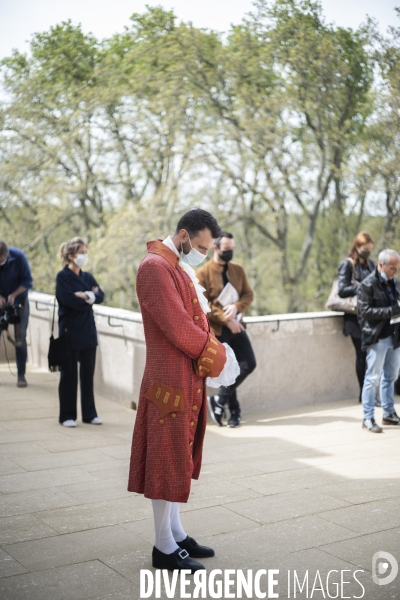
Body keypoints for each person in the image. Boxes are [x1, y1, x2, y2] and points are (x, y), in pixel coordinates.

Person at [128, 209, 228, 573]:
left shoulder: (172, 264)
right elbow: (178, 327)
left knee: (177, 458)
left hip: (181, 373)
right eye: (201, 246)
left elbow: (192, 321)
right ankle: (163, 547)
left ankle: (175, 532)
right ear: (184, 235)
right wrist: (217, 354)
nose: (203, 253)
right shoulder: (155, 267)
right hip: (167, 379)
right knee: (165, 462)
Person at [196, 231, 256, 427]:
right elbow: (203, 304)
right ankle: (235, 413)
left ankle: (219, 401)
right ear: (215, 248)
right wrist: (225, 319)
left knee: (248, 363)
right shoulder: (203, 273)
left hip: (237, 326)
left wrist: (237, 307)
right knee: (228, 369)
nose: (230, 252)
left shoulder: (237, 270)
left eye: (232, 249)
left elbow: (248, 294)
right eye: (226, 249)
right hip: (219, 330)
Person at [56, 237, 104, 427]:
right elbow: (67, 300)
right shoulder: (62, 277)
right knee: (68, 375)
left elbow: (101, 296)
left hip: (88, 333)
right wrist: (89, 297)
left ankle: (89, 414)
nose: (85, 256)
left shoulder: (88, 277)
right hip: (69, 333)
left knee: (87, 375)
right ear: (70, 255)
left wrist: (85, 295)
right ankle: (67, 415)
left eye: (86, 252)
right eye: (82, 252)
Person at [358, 248, 400, 433]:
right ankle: (367, 418)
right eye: (392, 268)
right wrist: (392, 311)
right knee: (372, 378)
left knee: (390, 377)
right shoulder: (367, 285)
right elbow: (365, 312)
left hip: (395, 336)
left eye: (397, 268)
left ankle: (389, 413)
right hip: (377, 338)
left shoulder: (394, 282)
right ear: (381, 265)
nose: (395, 272)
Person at [338, 231, 375, 403]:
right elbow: (342, 290)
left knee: (371, 356)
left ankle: (370, 393)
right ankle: (364, 394)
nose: (367, 252)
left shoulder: (371, 265)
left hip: (370, 316)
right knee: (362, 355)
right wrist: (362, 287)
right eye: (364, 249)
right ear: (357, 247)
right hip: (354, 318)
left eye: (369, 249)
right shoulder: (348, 265)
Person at [0, 241, 33, 387]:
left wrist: (14, 295)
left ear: (6, 255)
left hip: (19, 302)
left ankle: (21, 375)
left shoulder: (19, 257)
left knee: (20, 337)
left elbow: (28, 281)